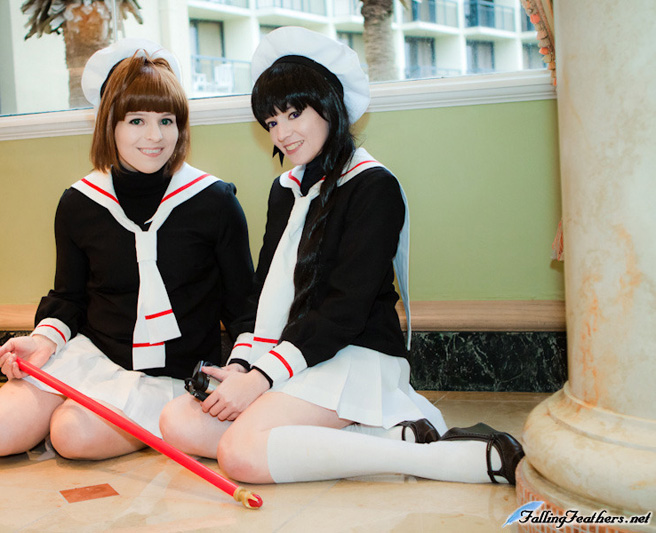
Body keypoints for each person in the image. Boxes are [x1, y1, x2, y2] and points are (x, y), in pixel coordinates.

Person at [159, 26, 524, 485]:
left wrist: (261, 378)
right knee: (177, 421)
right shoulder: (284, 191)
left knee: (241, 454)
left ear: (329, 105)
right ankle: (384, 437)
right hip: (291, 356)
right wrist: (240, 367)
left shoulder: (374, 186)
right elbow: (261, 293)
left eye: (294, 113)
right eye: (272, 122)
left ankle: (446, 458)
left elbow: (344, 310)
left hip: (355, 356)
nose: (283, 133)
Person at [0, 39, 253, 461]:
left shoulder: (215, 201)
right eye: (136, 120)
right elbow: (69, 297)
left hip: (170, 378)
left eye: (166, 120)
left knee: (71, 436)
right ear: (109, 124)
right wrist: (42, 340)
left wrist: (241, 370)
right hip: (91, 356)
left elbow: (244, 306)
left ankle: (38, 421)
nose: (155, 136)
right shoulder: (80, 203)